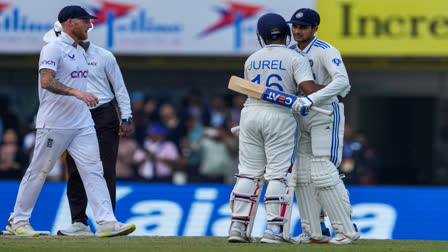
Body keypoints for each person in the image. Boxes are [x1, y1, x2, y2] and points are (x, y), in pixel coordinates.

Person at [5, 5, 135, 237]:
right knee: (39, 170)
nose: (89, 25)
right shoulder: (52, 49)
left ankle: (106, 221)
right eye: (85, 21)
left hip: (82, 123)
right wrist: (77, 93)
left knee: (94, 170)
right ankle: (19, 221)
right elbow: (46, 81)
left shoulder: (81, 52)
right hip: (54, 123)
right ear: (70, 22)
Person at [227, 13, 320, 244]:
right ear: (287, 33)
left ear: (261, 36)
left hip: (250, 114)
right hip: (280, 116)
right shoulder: (294, 58)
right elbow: (308, 89)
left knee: (248, 172)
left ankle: (238, 228)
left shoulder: (251, 59)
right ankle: (275, 231)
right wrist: (333, 89)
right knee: (279, 174)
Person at [41, 19, 133, 236]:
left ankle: (107, 222)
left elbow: (119, 88)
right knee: (74, 170)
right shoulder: (59, 55)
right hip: (75, 114)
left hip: (103, 114)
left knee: (106, 169)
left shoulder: (104, 56)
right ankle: (79, 222)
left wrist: (126, 116)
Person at [287, 8, 360, 244]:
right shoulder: (289, 51)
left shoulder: (325, 50)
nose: (297, 31)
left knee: (323, 172)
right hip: (300, 115)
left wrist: (312, 98)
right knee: (302, 175)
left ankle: (346, 229)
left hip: (326, 112)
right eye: (295, 27)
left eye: (303, 27)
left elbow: (342, 81)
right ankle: (314, 231)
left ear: (314, 28)